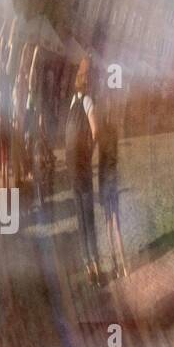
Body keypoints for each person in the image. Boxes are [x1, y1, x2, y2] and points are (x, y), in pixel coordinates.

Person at [64, 59, 100, 285]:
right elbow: (96, 132)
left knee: (80, 216)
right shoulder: (87, 101)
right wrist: (89, 154)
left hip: (71, 167)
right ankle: (93, 265)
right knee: (88, 217)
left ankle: (88, 264)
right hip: (82, 166)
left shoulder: (72, 102)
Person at [97, 88, 128, 280]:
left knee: (109, 224)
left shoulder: (101, 132)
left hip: (105, 180)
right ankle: (123, 265)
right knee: (116, 225)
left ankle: (116, 264)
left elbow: (102, 160)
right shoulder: (113, 132)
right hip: (111, 179)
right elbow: (113, 159)